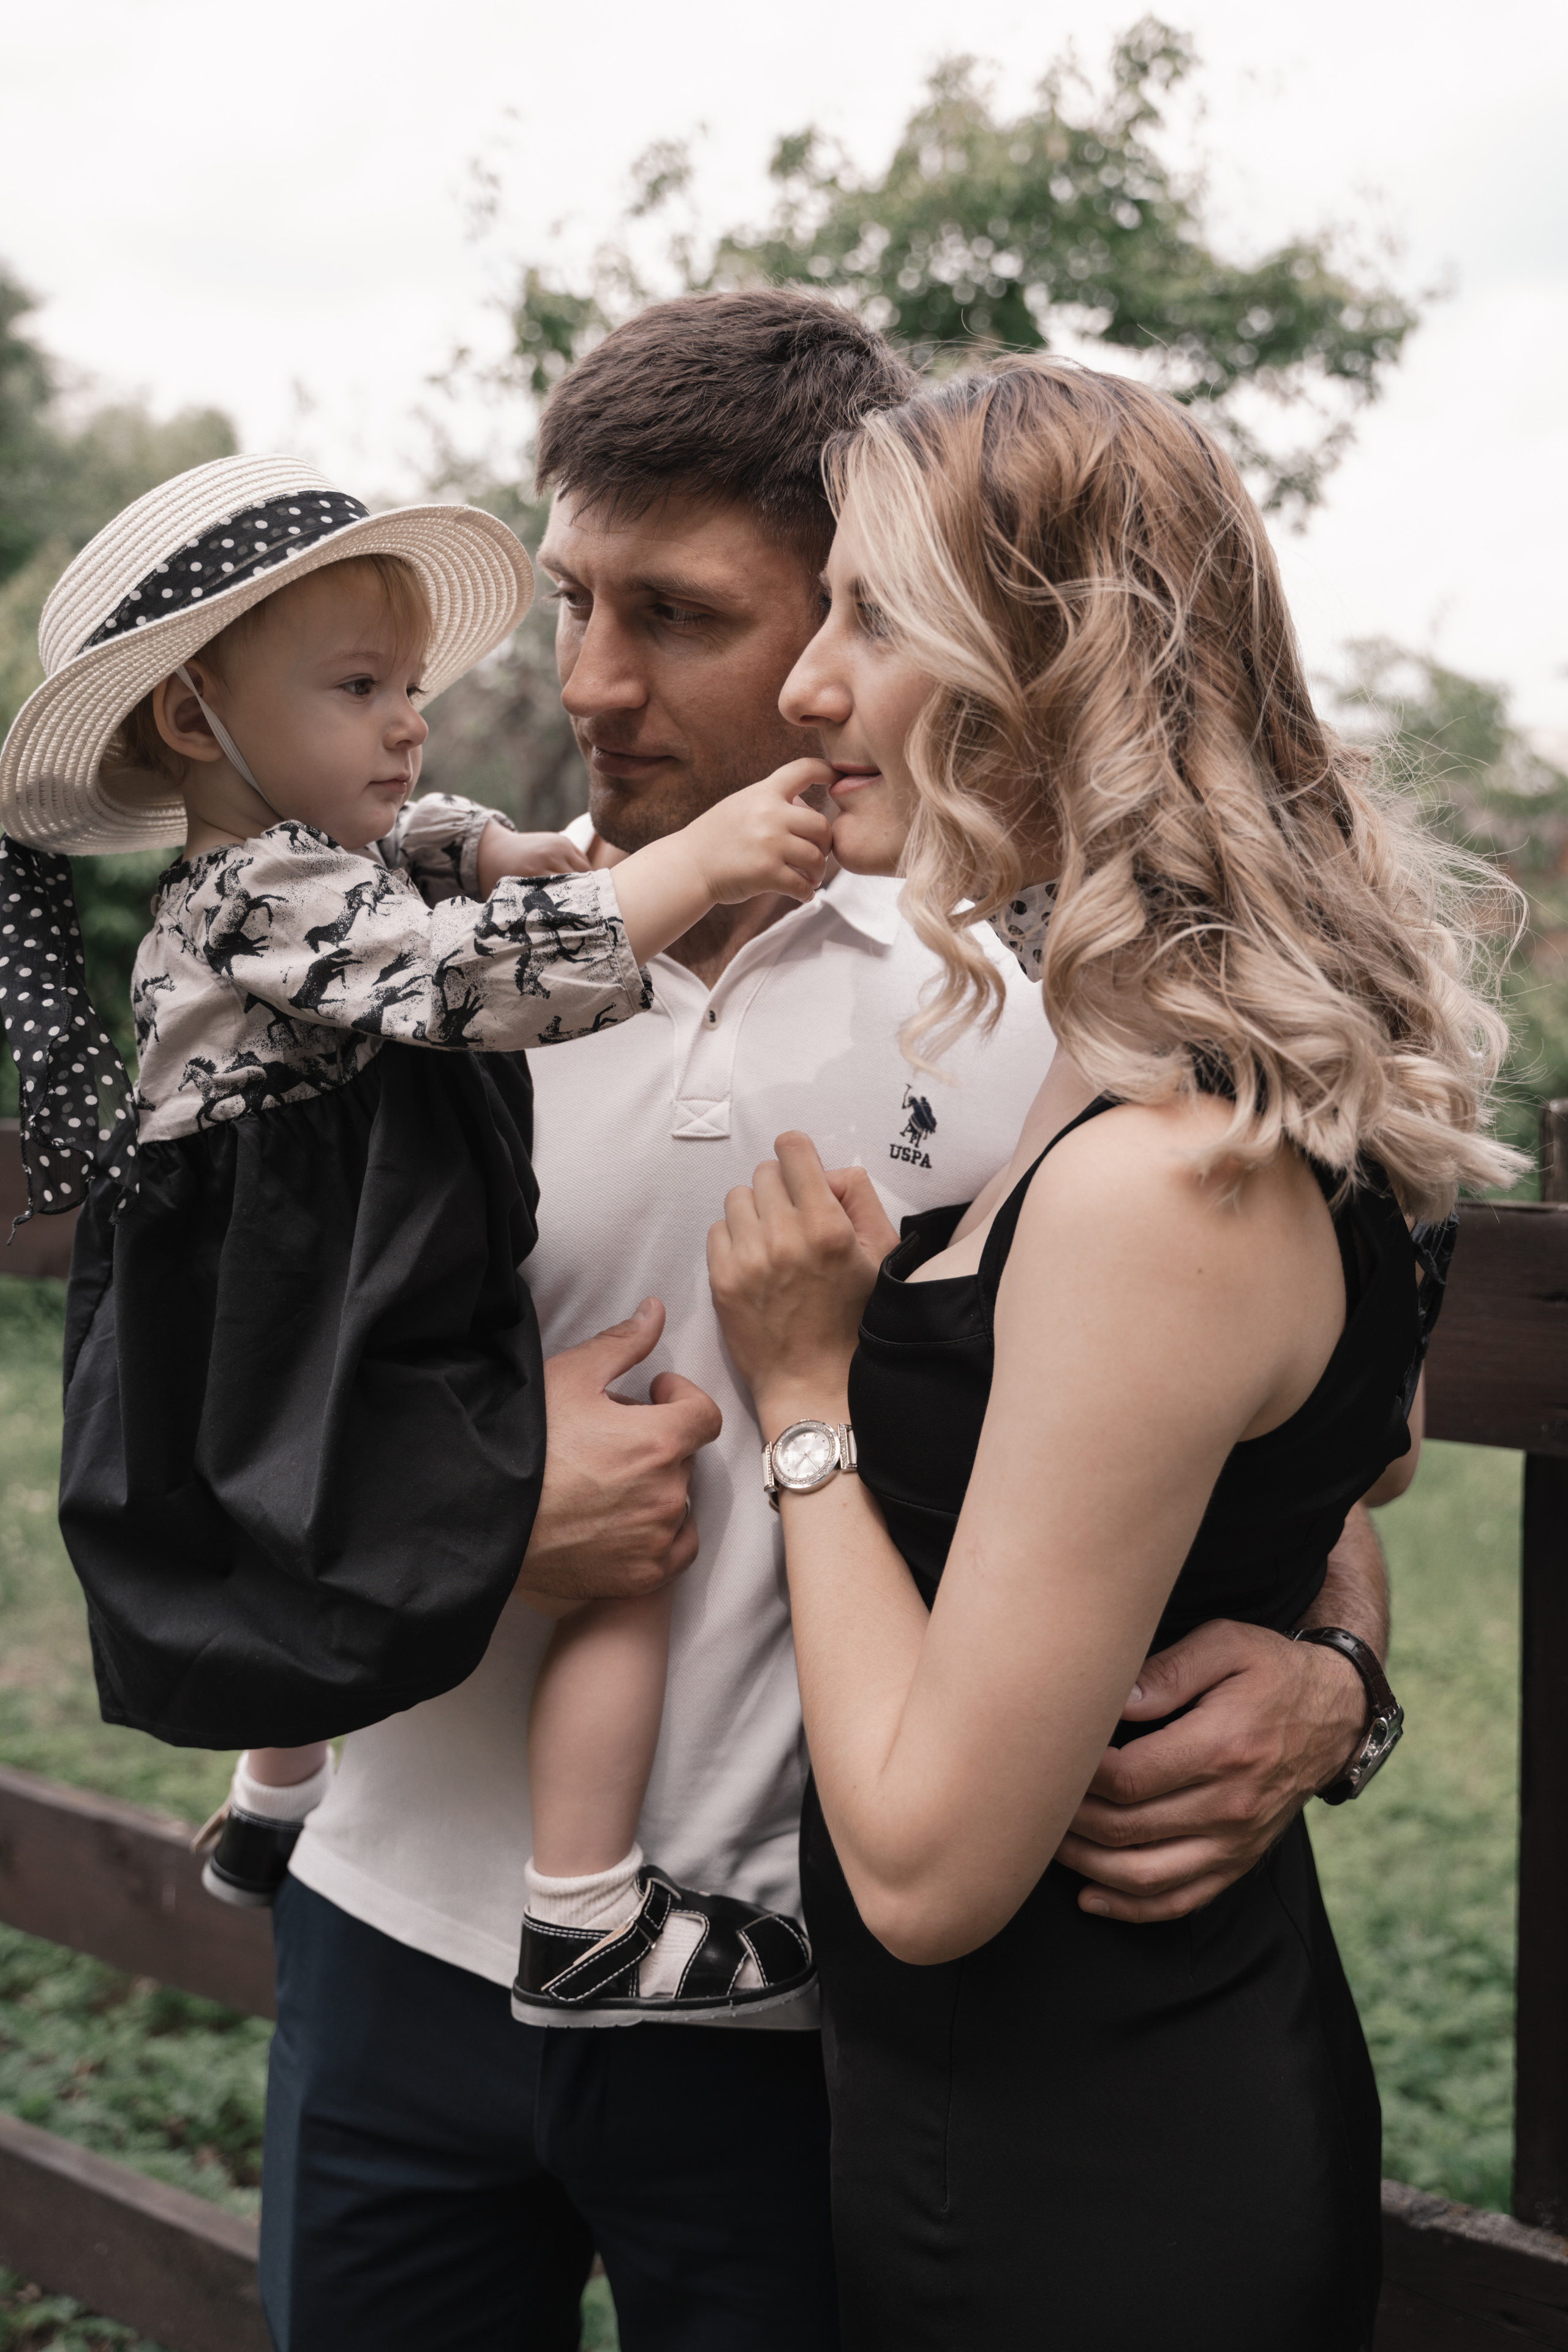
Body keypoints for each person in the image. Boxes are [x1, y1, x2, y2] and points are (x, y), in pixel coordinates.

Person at [259, 294, 1399, 2351]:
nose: (596, 680)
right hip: (398, 1948)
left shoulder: (1036, 1004)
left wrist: (1334, 1674)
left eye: (685, 614)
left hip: (809, 2035)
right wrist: (458, 1525)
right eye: (579, 599)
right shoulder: (408, 990)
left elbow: (1223, 1446)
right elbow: (181, 1456)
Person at [708, 353, 1516, 2349]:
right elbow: (1356, 1461)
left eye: (869, 617)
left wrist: (803, 1397)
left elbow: (921, 1870)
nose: (811, 688)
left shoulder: (1162, 1177)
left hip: (1084, 2192)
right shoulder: (1230, 1080)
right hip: (1058, 2103)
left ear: (1048, 658)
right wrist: (1331, 1644)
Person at [0, 450, 831, 2017]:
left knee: (306, 1493)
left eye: (408, 683)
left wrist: (490, 850)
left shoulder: (294, 853)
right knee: (622, 1514)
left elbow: (413, 853)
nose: (409, 721)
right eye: (361, 685)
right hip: (306, 1271)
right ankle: (583, 1909)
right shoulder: (255, 895)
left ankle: (274, 1801)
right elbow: (461, 986)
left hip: (308, 1262)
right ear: (195, 720)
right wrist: (684, 869)